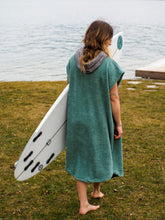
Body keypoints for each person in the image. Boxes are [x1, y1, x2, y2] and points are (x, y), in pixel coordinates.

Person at [66, 20, 124, 215]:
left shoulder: (73, 61)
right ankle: (94, 193)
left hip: (76, 119)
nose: (110, 41)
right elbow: (114, 98)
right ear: (103, 38)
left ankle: (89, 198)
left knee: (81, 157)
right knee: (100, 151)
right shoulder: (108, 66)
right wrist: (119, 124)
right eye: (108, 37)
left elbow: (71, 86)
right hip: (99, 119)